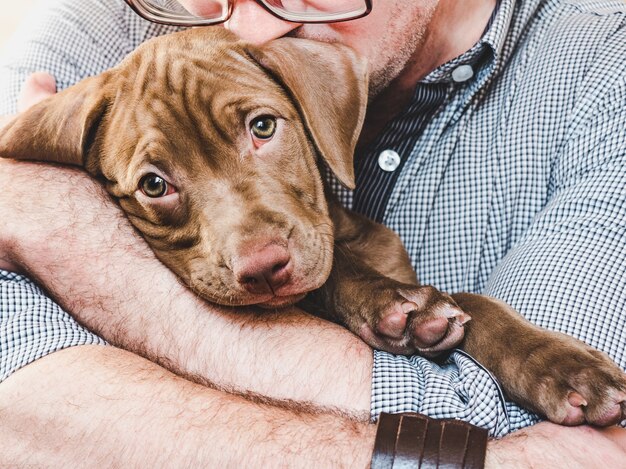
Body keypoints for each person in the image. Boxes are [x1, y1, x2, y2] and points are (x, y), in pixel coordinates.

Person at [0, 0, 625, 466]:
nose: (249, 27)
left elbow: (550, 450)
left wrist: (64, 232)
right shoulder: (110, 25)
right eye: (155, 184)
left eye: (261, 128)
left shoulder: (603, 70)